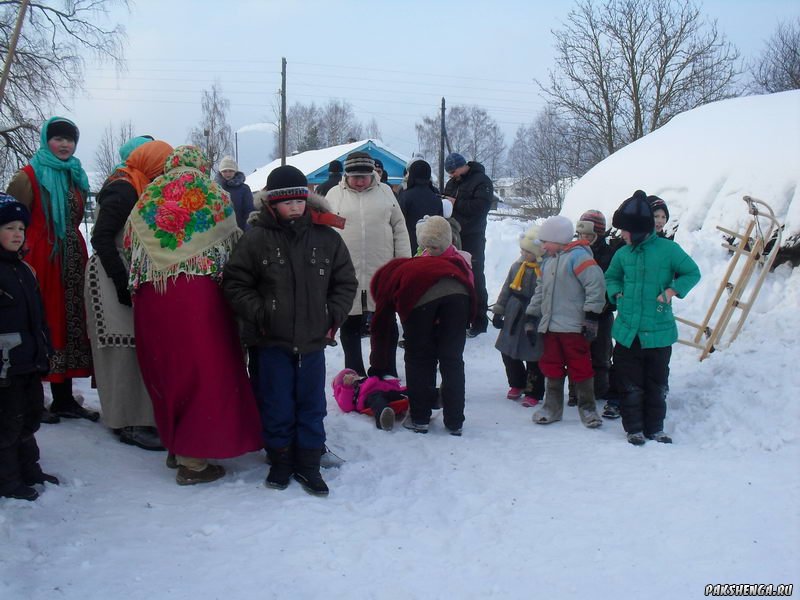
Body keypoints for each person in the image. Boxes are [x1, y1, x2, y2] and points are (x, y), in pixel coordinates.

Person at [125, 145, 263, 485]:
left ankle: (176, 445)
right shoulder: (212, 193)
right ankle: (194, 462)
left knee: (167, 368)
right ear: (202, 167)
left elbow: (130, 247)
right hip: (200, 295)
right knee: (206, 370)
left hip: (152, 295)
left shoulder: (148, 197)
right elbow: (234, 249)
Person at [223, 165, 357, 496]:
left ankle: (309, 462)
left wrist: (333, 313)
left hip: (312, 341)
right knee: (276, 402)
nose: (295, 207)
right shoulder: (255, 239)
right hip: (270, 340)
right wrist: (260, 312)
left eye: (300, 200)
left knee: (311, 404)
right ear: (272, 205)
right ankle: (280, 459)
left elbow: (344, 281)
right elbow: (236, 282)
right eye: (287, 203)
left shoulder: (327, 238)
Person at [6, 116, 96, 423]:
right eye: (58, 138)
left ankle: (64, 399)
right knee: (40, 325)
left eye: (69, 139)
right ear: (47, 140)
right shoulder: (28, 176)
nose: (65, 144)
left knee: (70, 325)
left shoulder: (76, 176)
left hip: (71, 258)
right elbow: (10, 218)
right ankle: (32, 400)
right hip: (39, 258)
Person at [85, 140, 173, 451]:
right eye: (162, 168)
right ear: (149, 163)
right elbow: (102, 237)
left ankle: (138, 417)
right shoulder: (123, 188)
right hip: (111, 275)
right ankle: (127, 422)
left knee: (136, 347)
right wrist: (121, 281)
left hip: (128, 271)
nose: (165, 174)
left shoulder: (141, 184)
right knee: (121, 349)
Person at [606, 190, 700, 445]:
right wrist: (617, 294)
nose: (622, 234)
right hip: (627, 333)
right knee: (630, 385)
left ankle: (655, 428)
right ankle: (634, 429)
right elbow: (611, 278)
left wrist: (672, 291)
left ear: (636, 230)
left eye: (625, 230)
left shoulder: (669, 250)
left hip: (658, 332)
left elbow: (692, 272)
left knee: (656, 385)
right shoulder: (623, 254)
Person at [370, 216, 475, 436]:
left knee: (419, 358)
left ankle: (419, 418)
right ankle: (455, 421)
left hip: (420, 302)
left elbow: (390, 299)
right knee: (452, 360)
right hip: (458, 298)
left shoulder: (413, 265)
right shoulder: (462, 261)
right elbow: (473, 287)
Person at [325, 151, 411, 376]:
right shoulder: (334, 195)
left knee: (385, 324)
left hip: (381, 271)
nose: (360, 181)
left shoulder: (386, 193)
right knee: (350, 322)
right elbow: (324, 232)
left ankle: (385, 369)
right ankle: (354, 372)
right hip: (346, 271)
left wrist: (402, 265)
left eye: (364, 175)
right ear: (346, 175)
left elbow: (400, 229)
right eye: (355, 177)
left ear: (373, 173)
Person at [0, 195, 59, 501]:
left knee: (30, 416)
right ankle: (7, 481)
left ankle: (29, 468)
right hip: (5, 366)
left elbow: (39, 317)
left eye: (21, 227)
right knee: (8, 423)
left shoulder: (24, 270)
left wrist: (45, 348)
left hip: (30, 361)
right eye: (9, 227)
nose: (17, 234)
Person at [525, 215, 606, 429]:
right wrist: (532, 315)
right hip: (551, 327)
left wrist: (591, 316)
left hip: (574, 327)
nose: (542, 246)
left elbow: (595, 285)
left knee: (580, 367)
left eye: (545, 242)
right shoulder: (549, 261)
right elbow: (540, 290)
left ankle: (588, 408)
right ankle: (552, 406)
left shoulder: (578, 257)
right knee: (551, 365)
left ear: (558, 240)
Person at [568, 210, 621, 418]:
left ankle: (600, 388)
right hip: (577, 313)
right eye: (581, 236)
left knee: (601, 353)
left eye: (590, 236)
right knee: (577, 353)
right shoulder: (572, 253)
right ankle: (575, 392)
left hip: (603, 313)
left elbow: (611, 280)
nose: (585, 240)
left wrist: (607, 304)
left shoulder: (608, 254)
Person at [492, 225, 545, 407]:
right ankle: (517, 383)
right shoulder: (517, 266)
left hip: (535, 316)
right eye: (522, 250)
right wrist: (499, 310)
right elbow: (507, 288)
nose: (523, 253)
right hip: (514, 313)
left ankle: (534, 390)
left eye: (527, 251)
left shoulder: (545, 269)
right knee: (508, 352)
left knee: (533, 357)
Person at [442, 152, 494, 337]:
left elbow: (481, 207)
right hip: (454, 235)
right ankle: (461, 318)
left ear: (463, 166)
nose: (452, 175)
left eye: (454, 171)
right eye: (449, 173)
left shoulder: (481, 181)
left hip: (473, 236)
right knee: (456, 277)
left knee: (476, 276)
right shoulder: (452, 183)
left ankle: (480, 320)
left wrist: (456, 203)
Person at [332, 368, 409, 431]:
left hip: (389, 392)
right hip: (370, 397)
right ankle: (384, 418)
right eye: (347, 376)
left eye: (353, 374)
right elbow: (346, 406)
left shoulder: (364, 381)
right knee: (377, 400)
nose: (352, 376)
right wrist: (346, 387)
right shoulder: (349, 391)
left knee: (408, 391)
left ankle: (418, 398)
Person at [398, 159, 445, 253]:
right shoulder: (436, 197)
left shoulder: (405, 196)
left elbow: (399, 223)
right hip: (432, 248)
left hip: (410, 246)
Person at [216, 155, 254, 231]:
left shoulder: (244, 189)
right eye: (224, 171)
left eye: (230, 171)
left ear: (235, 172)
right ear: (220, 172)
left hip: (239, 230)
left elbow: (249, 211)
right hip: (220, 233)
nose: (228, 174)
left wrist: (248, 231)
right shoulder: (215, 188)